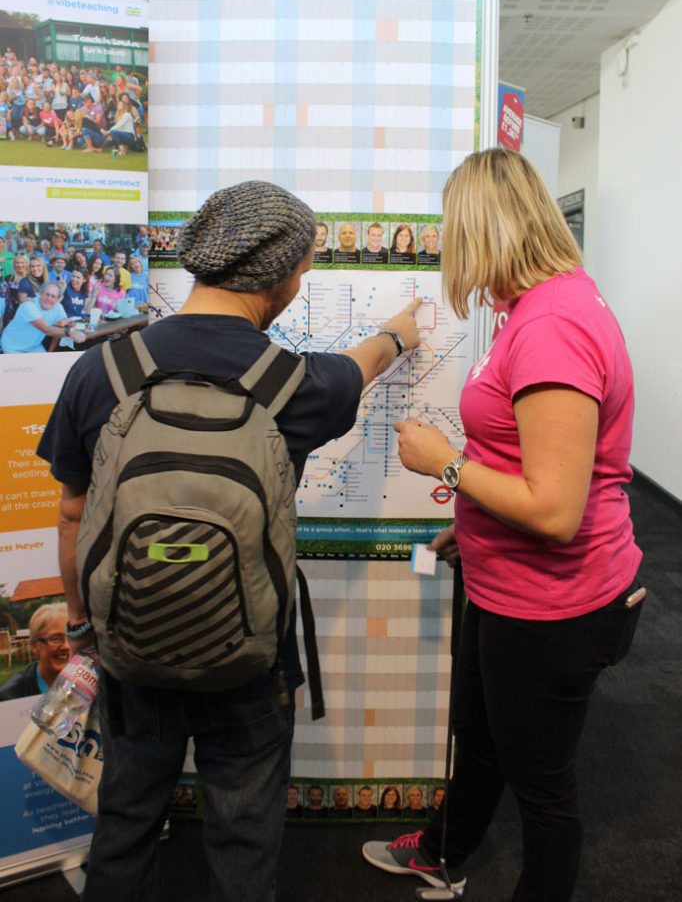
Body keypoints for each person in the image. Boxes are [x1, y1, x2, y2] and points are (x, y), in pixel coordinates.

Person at [37, 180, 421, 902]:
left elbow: (70, 514)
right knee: (243, 839)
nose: (302, 285)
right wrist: (401, 332)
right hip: (250, 655)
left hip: (130, 653)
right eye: (303, 270)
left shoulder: (100, 371)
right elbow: (364, 364)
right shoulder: (300, 385)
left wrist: (87, 632)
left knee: (123, 828)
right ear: (275, 278)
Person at [362, 148, 645, 901]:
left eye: (456, 234)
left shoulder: (553, 324)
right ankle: (444, 852)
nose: (453, 255)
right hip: (504, 584)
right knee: (481, 741)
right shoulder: (544, 306)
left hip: (550, 606)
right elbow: (527, 460)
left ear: (485, 231)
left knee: (543, 792)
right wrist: (475, 517)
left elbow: (555, 510)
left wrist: (448, 465)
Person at [0, 602, 70, 701]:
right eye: (56, 638)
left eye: (72, 637)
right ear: (34, 645)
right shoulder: (9, 697)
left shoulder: (92, 685)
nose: (66, 646)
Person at [1, 281, 85, 354]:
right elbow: (46, 329)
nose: (49, 298)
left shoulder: (58, 307)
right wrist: (70, 333)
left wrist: (74, 329)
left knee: (46, 368)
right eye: (47, 294)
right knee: (22, 371)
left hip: (33, 347)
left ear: (58, 299)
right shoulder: (29, 305)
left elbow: (62, 326)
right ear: (40, 293)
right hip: (12, 346)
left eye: (53, 296)